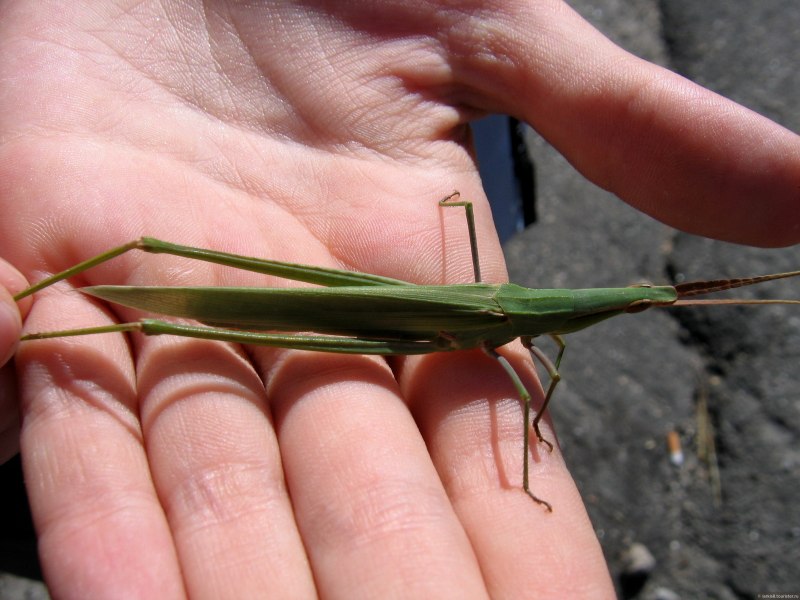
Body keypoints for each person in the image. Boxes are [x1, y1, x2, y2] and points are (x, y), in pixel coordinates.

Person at [0, 1, 798, 597]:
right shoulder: (534, 345)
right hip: (398, 313)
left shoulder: (540, 330)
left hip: (438, 313)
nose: (628, 303)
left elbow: (545, 349)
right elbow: (541, 368)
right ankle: (82, 317)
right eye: (629, 302)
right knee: (158, 256)